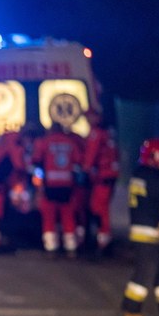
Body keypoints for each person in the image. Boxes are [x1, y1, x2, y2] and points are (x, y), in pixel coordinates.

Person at [121, 138, 159, 316]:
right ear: (155, 157)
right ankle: (131, 310)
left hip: (150, 231)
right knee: (145, 273)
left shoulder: (141, 174)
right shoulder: (152, 177)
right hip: (149, 232)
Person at [31, 122, 84, 257]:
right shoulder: (70, 142)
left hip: (50, 184)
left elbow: (36, 160)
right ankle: (70, 246)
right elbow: (78, 161)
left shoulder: (45, 141)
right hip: (67, 185)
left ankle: (51, 247)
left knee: (49, 216)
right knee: (68, 215)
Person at [82, 109, 120, 254]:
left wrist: (85, 170)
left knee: (98, 208)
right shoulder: (108, 133)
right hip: (109, 176)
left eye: (89, 117)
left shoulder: (96, 133)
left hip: (102, 177)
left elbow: (90, 156)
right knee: (101, 208)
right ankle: (103, 238)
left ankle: (103, 241)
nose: (87, 120)